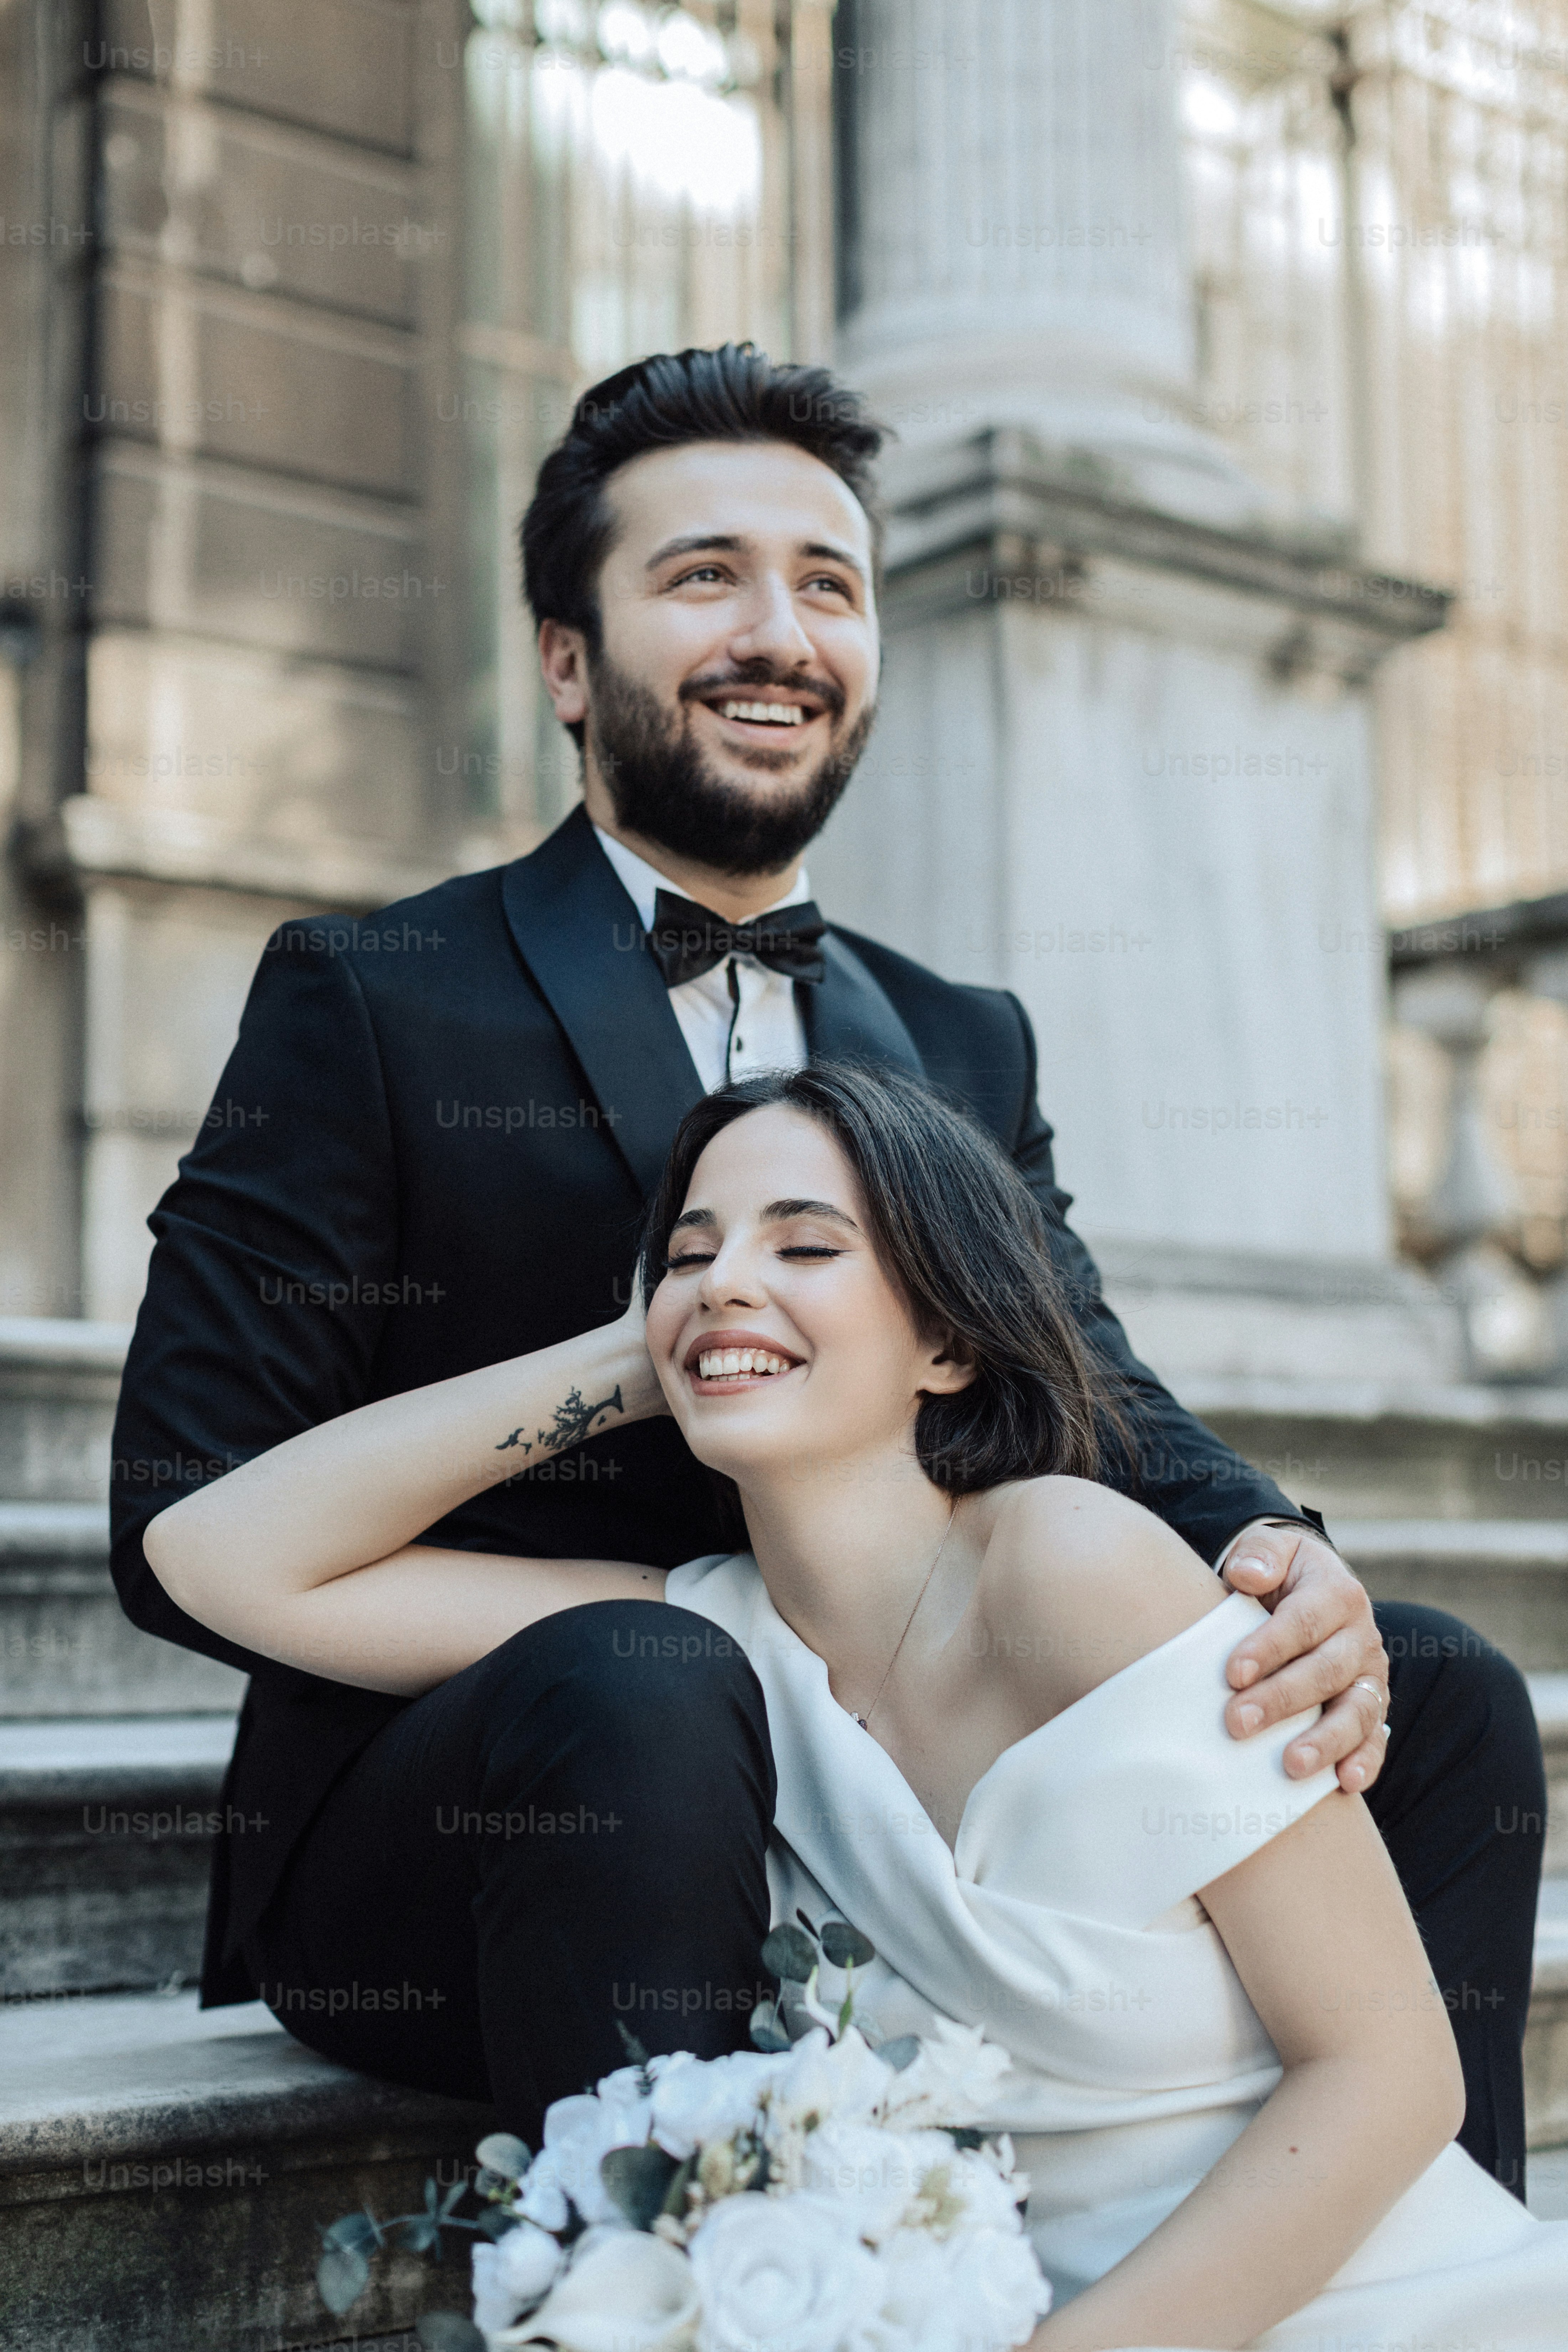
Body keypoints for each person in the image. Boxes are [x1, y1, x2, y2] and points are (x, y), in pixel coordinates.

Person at [108, 343, 1543, 2189]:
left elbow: (1086, 1382)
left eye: (830, 584)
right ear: (568, 656)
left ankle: (1402, 2280)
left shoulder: (963, 1034)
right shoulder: (369, 994)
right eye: (704, 574)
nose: (778, 629)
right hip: (501, 1784)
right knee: (644, 1672)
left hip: (894, 1749)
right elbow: (187, 1499)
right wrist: (648, 1377)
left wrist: (1286, 1563)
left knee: (1434, 1691)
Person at [144, 1065, 1566, 2351]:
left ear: (945, 1342)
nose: (726, 1277)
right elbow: (216, 1558)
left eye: (806, 1244)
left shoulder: (1071, 1564)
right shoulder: (683, 1636)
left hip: (1360, 2301)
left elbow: (1389, 2073)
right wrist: (639, 1357)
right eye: (689, 1250)